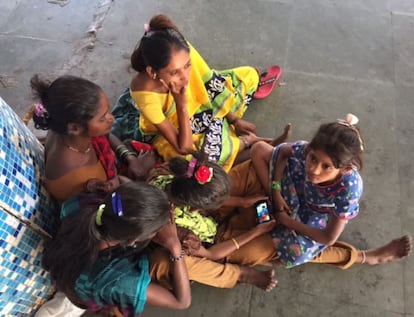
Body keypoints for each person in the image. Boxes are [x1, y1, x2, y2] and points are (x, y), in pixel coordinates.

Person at [249, 114, 412, 268]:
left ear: (345, 169)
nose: (313, 169)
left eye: (326, 166)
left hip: (315, 213)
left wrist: (287, 222)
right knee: (258, 150)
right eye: (312, 158)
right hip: (298, 186)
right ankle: (272, 205)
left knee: (295, 253)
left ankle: (366, 257)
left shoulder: (350, 188)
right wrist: (276, 191)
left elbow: (328, 237)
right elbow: (284, 151)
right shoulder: (313, 150)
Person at [130, 14, 282, 172]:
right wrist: (182, 105)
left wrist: (234, 119)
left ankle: (231, 138)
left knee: (248, 75)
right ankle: (245, 142)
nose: (186, 77)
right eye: (175, 72)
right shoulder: (144, 94)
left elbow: (208, 83)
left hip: (201, 108)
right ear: (152, 72)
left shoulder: (181, 51)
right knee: (192, 160)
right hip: (173, 131)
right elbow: (184, 147)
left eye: (187, 65)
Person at [41, 181, 191, 316]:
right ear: (133, 241)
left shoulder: (82, 203)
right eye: (157, 230)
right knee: (164, 263)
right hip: (86, 285)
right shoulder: (118, 281)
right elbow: (182, 302)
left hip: (75, 266)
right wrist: (175, 246)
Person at [30, 74, 156, 202]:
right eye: (102, 118)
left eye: (107, 112)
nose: (111, 118)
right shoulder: (73, 178)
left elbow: (105, 135)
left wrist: (130, 158)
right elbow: (111, 206)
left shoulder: (66, 129)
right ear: (75, 128)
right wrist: (139, 179)